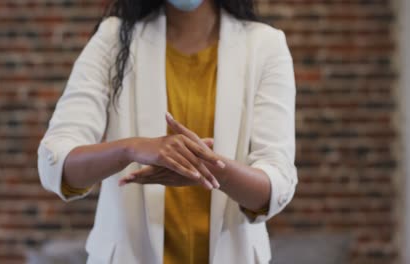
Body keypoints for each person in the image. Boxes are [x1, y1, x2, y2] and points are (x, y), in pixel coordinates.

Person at [37, 0, 297, 263]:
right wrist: (132, 148)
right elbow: (56, 163)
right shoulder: (114, 38)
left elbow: (276, 184)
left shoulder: (265, 45)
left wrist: (209, 168)